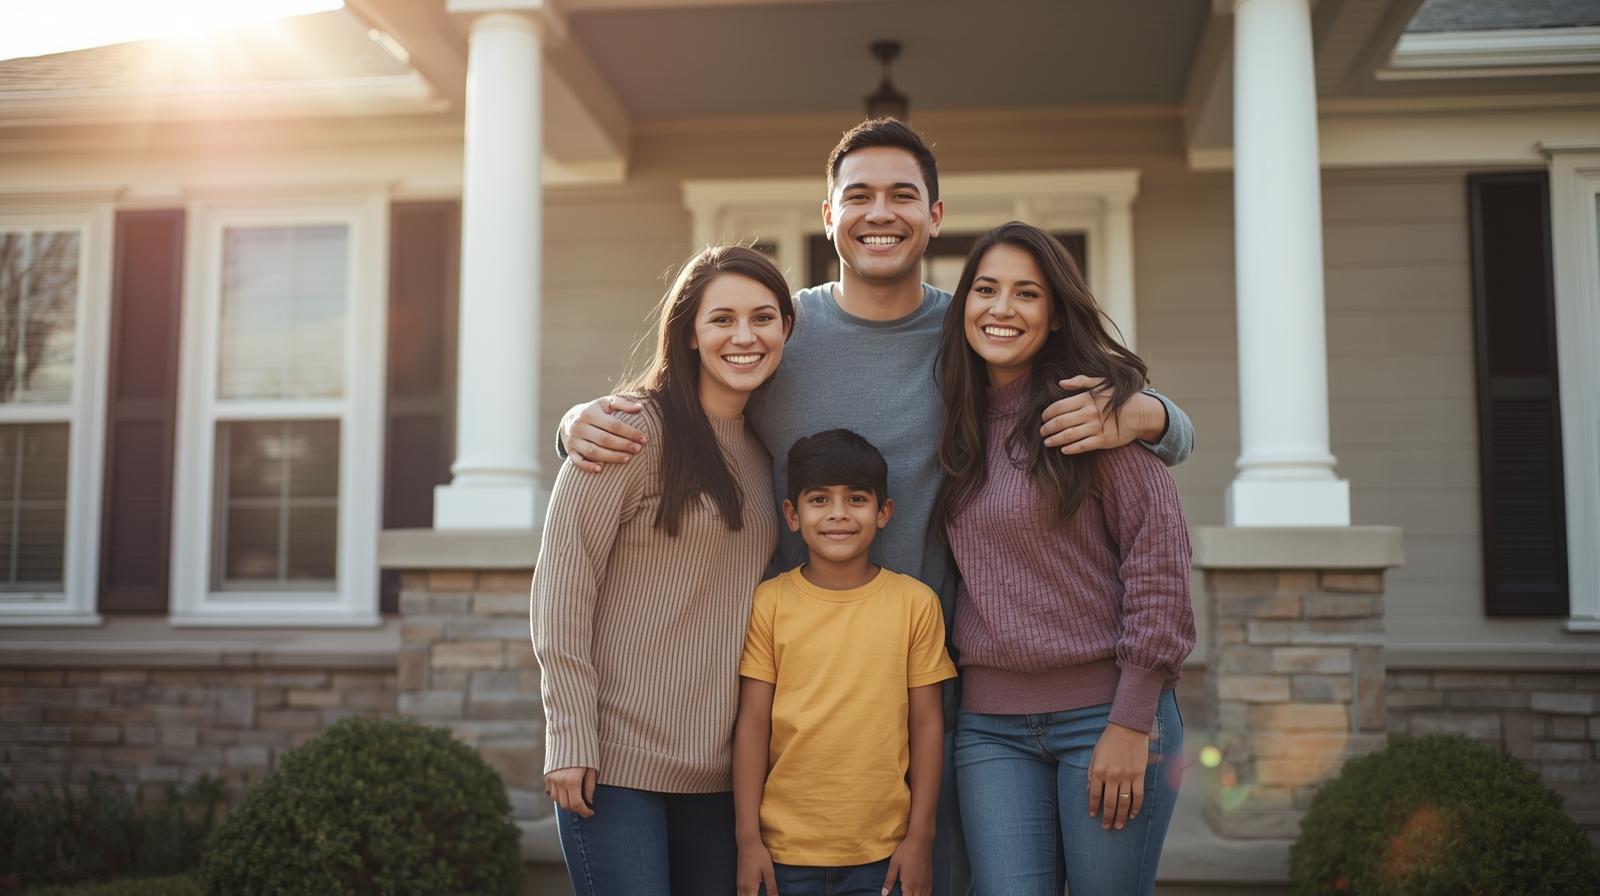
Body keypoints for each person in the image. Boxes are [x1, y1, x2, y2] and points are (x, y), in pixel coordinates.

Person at [557, 118, 1196, 894]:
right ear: (829, 216)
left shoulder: (967, 335)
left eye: (903, 195)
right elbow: (693, 396)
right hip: (796, 703)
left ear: (934, 215)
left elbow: (1077, 402)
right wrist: (574, 425)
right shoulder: (780, 332)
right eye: (858, 195)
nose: (880, 213)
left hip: (941, 696)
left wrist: (1155, 415)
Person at [932, 221, 1196, 896]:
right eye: (986, 289)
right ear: (962, 302)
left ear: (1053, 317)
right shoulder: (954, 421)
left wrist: (1133, 720)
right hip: (990, 730)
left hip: (1106, 714)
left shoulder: (1095, 414)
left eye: (1027, 294)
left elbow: (1159, 572)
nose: (1001, 309)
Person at [531, 245, 796, 895]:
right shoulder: (628, 432)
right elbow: (564, 586)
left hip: (718, 776)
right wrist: (569, 735)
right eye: (722, 319)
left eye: (763, 318)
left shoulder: (766, 456)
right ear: (689, 334)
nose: (744, 336)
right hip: (615, 768)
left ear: (787, 331)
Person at [733, 429, 955, 896]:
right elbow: (753, 723)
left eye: (856, 498)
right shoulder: (769, 603)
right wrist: (747, 839)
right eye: (819, 499)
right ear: (792, 515)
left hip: (882, 855)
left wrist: (920, 839)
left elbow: (928, 725)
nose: (838, 513)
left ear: (883, 512)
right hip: (784, 855)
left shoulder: (915, 604)